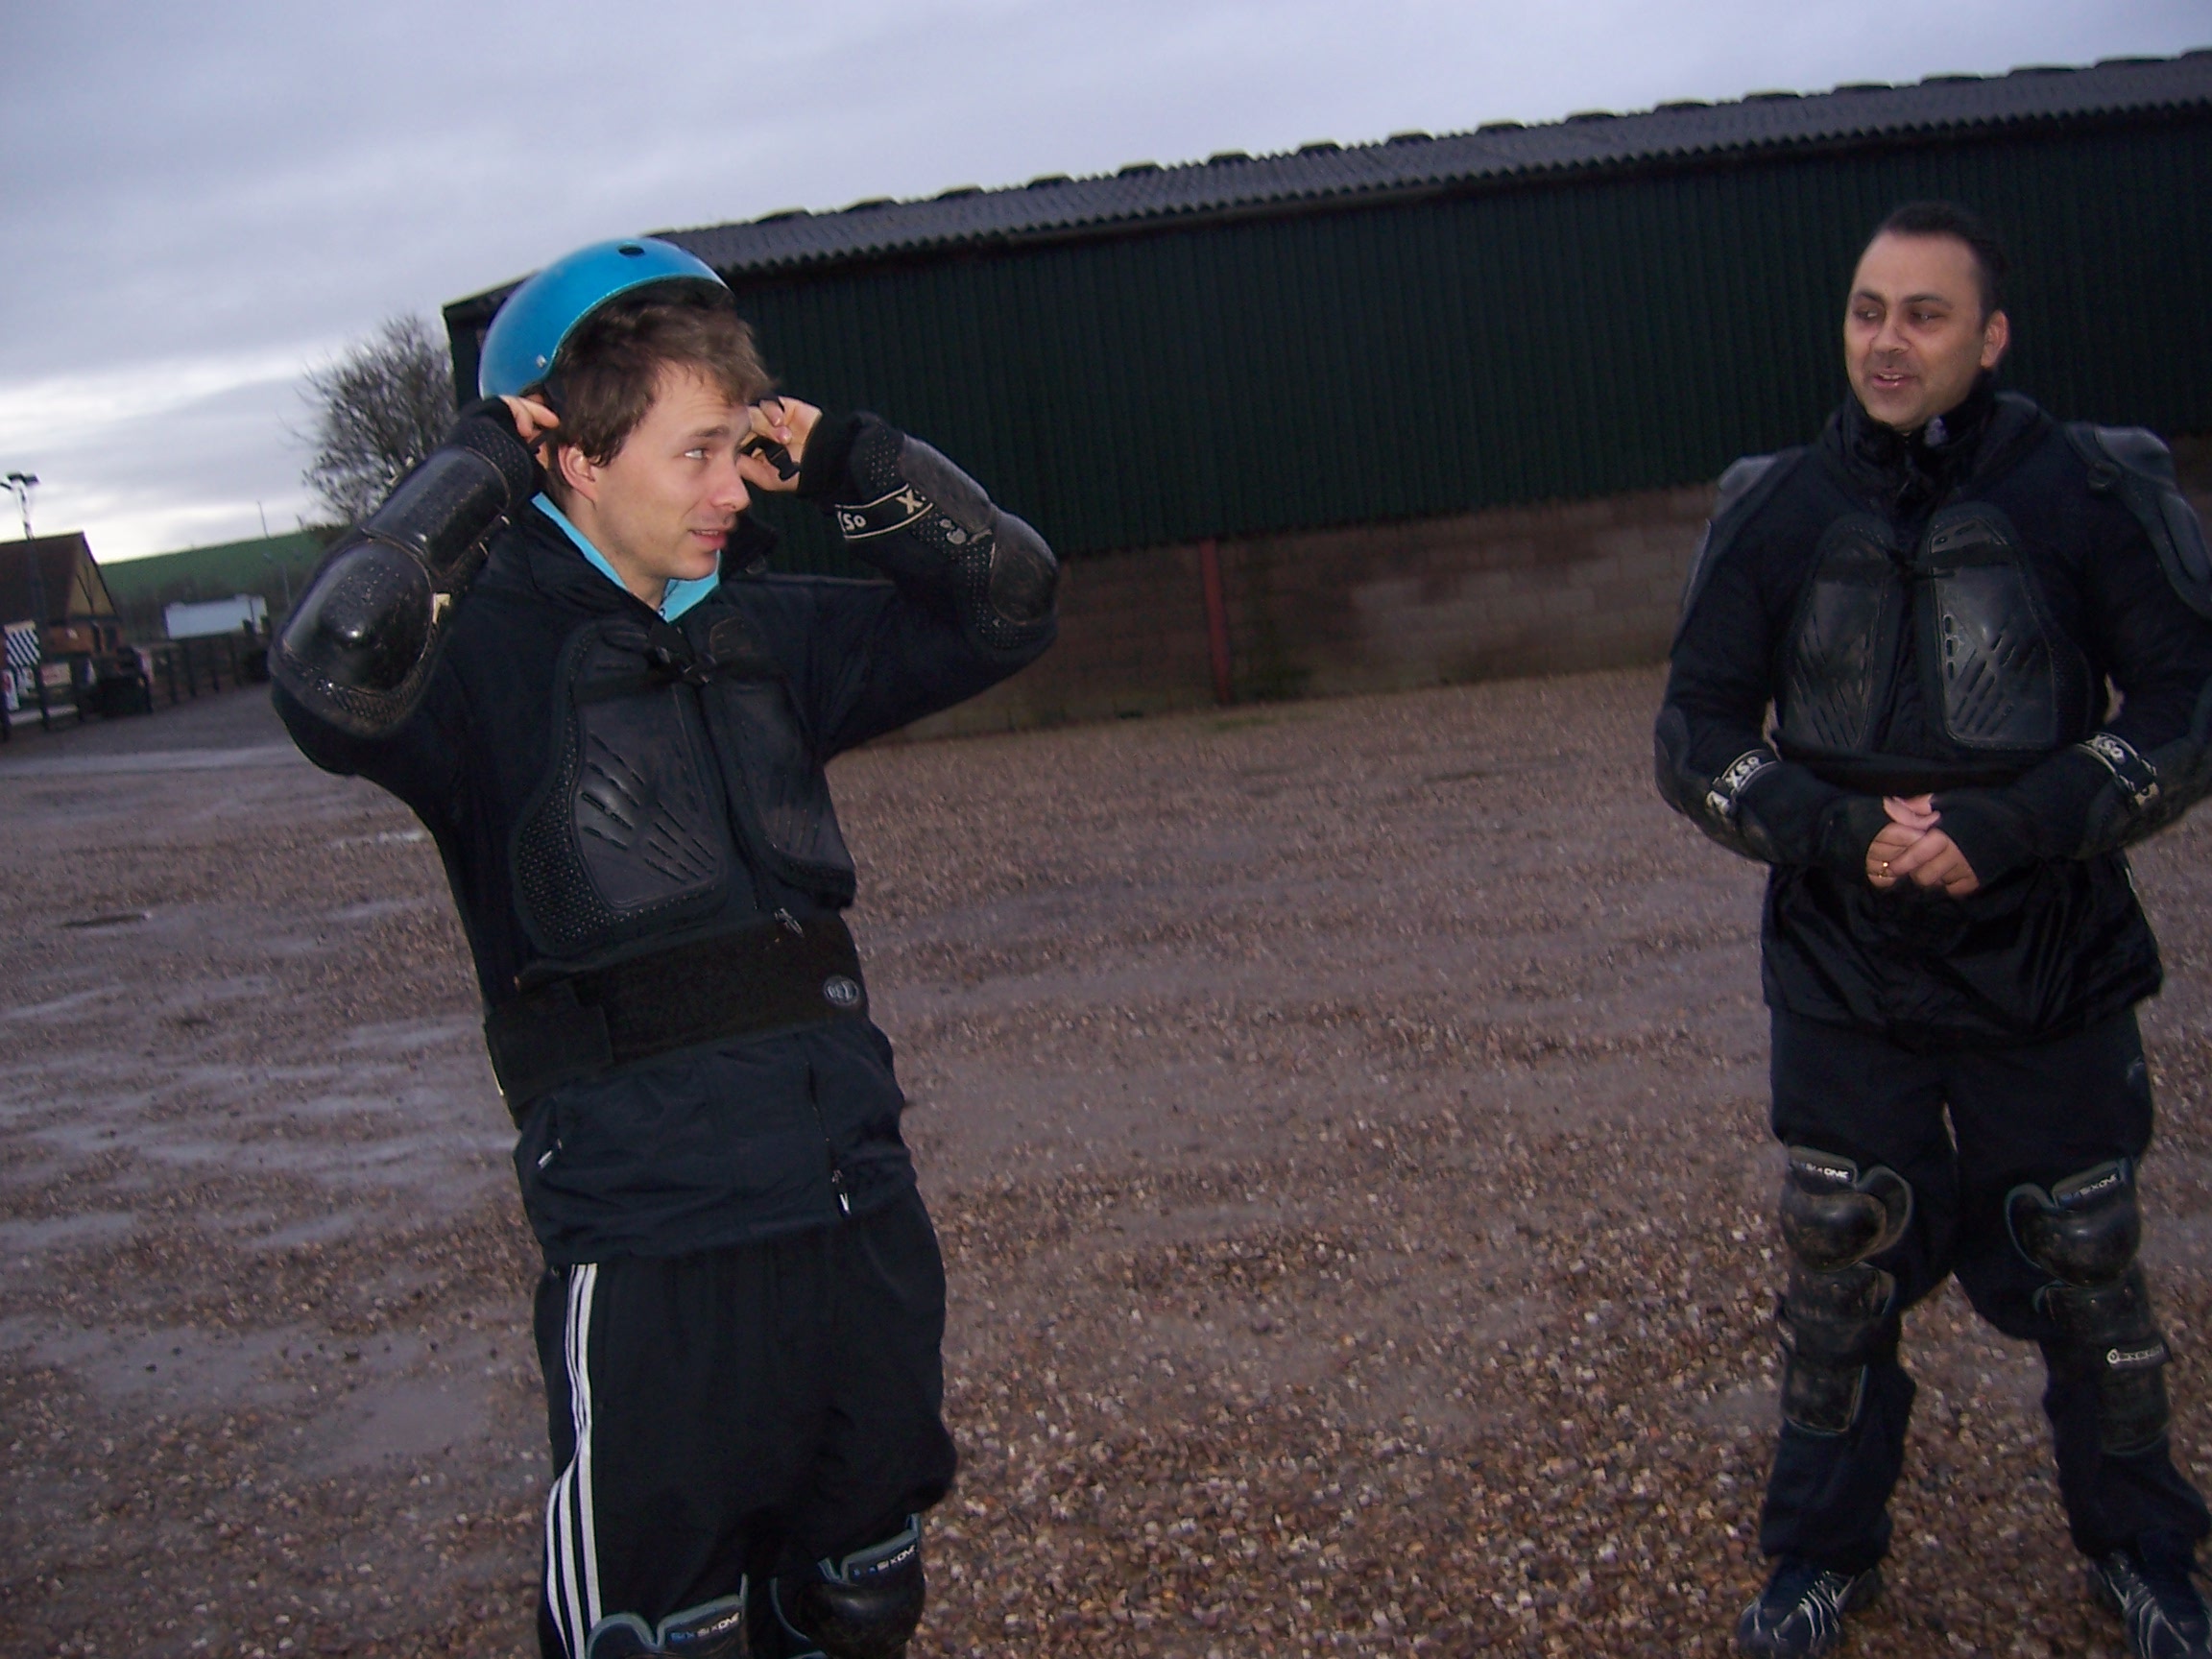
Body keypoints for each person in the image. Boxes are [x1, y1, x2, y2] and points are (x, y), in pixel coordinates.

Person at [271, 237, 1059, 1659]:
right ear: (571, 457)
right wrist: (477, 469)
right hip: (657, 1239)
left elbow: (1010, 602)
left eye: (741, 449)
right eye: (697, 453)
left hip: (855, 1202)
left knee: (861, 1589)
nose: (732, 488)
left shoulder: (765, 632)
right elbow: (332, 668)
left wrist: (853, 458)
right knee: (657, 1628)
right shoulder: (480, 667)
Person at [1655, 202, 2212, 1658]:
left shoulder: (2088, 490)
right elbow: (1695, 730)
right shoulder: (1777, 510)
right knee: (1839, 1267)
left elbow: (2185, 700)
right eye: (1866, 311)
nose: (1886, 342)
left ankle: (2146, 1552)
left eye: (1923, 314)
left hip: (2052, 952)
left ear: (1992, 335)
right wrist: (1841, 832)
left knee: (2088, 1261)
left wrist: (2015, 825)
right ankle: (1818, 1558)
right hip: (1846, 964)